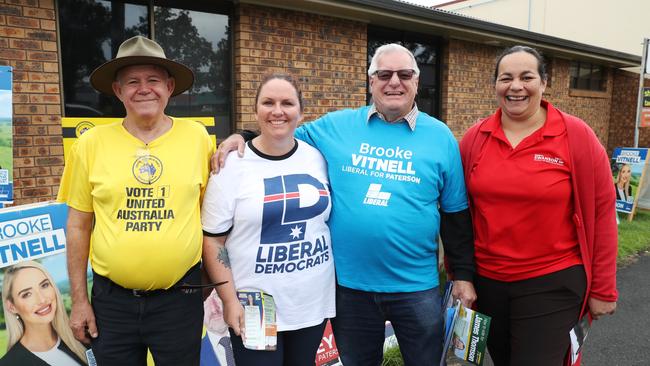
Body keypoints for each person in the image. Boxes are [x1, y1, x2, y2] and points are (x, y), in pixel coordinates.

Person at [214, 44, 476, 366]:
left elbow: (455, 214)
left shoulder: (441, 137)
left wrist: (462, 275)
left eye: (404, 74)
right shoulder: (335, 127)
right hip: (349, 290)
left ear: (417, 82)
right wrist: (240, 135)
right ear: (370, 82)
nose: (394, 82)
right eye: (384, 74)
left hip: (416, 288)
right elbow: (280, 132)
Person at [56, 35, 214, 365]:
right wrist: (80, 303)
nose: (144, 89)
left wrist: (239, 139)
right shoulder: (91, 144)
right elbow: (78, 225)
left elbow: (212, 218)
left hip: (179, 300)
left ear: (169, 86)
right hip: (112, 303)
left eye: (153, 80)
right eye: (132, 81)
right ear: (118, 91)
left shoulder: (198, 138)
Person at [459, 45, 618, 366]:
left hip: (553, 280)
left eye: (526, 77)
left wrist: (604, 288)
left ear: (544, 83)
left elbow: (602, 212)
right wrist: (459, 274)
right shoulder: (475, 139)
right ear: (495, 86)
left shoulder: (575, 136)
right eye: (506, 78)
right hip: (489, 283)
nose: (515, 86)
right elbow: (458, 212)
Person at [202, 73, 335, 365]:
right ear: (256, 109)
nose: (277, 111)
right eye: (268, 102)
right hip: (255, 305)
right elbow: (213, 240)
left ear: (301, 111)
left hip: (310, 302)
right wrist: (228, 299)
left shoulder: (318, 158)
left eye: (287, 103)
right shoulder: (231, 166)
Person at [1, 261, 88, 366]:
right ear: (12, 307)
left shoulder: (82, 337)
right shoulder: (9, 364)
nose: (42, 299)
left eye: (44, 285)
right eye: (27, 294)